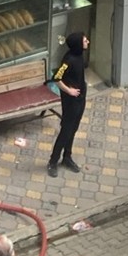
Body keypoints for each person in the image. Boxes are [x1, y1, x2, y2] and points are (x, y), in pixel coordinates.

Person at [47, 32, 89, 177]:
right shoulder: (68, 60)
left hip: (80, 98)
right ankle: (53, 161)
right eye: (85, 40)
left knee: (74, 129)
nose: (87, 42)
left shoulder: (79, 55)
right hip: (71, 102)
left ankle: (67, 157)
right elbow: (56, 77)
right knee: (66, 130)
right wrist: (69, 91)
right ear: (78, 43)